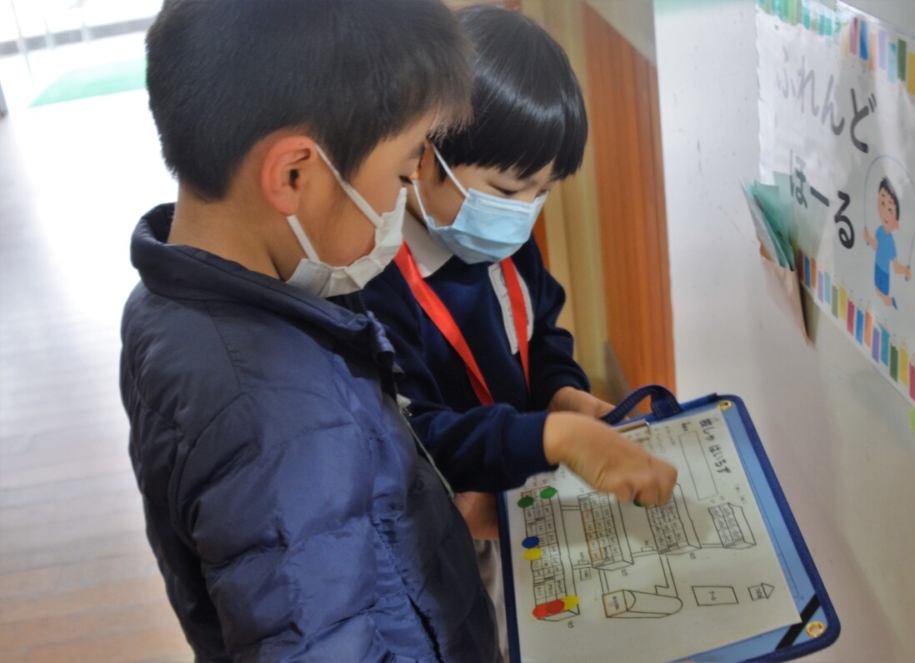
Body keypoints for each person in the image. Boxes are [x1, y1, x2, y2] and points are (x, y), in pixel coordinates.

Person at [121, 1, 678, 661]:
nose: (401, 198)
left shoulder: (178, 302)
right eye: (401, 170)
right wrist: (544, 441)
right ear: (294, 174)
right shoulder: (279, 421)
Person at [361, 7, 665, 658]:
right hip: (448, 533)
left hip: (519, 498)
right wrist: (551, 435)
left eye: (542, 191)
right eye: (506, 189)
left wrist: (563, 394)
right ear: (422, 155)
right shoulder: (376, 279)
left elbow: (542, 329)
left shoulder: (502, 236)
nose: (524, 213)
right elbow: (417, 434)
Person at [863, 176, 911, 309]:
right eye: (882, 203)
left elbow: (895, 266)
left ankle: (894, 302)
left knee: (883, 297)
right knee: (877, 292)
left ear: (897, 223)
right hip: (877, 268)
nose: (884, 211)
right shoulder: (879, 230)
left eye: (890, 210)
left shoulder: (891, 242)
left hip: (884, 273)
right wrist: (868, 238)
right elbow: (875, 245)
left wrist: (905, 270)